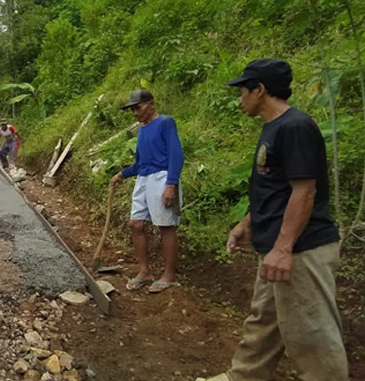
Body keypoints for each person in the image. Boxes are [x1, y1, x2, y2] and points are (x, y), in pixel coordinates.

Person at [197, 60, 348, 381]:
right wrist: (248, 223)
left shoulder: (295, 127)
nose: (240, 99)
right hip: (279, 250)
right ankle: (242, 377)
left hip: (301, 252)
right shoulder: (275, 128)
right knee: (263, 324)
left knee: (313, 334)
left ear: (260, 90)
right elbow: (276, 190)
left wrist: (282, 248)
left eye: (243, 92)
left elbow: (304, 192)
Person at [111, 89, 183, 294]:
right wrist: (122, 174)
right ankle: (145, 271)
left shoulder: (165, 123)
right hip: (144, 178)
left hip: (162, 176)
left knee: (166, 225)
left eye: (138, 107)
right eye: (132, 109)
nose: (135, 112)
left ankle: (169, 274)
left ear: (151, 104)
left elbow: (176, 154)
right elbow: (140, 163)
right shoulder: (142, 130)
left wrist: (171, 184)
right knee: (135, 223)